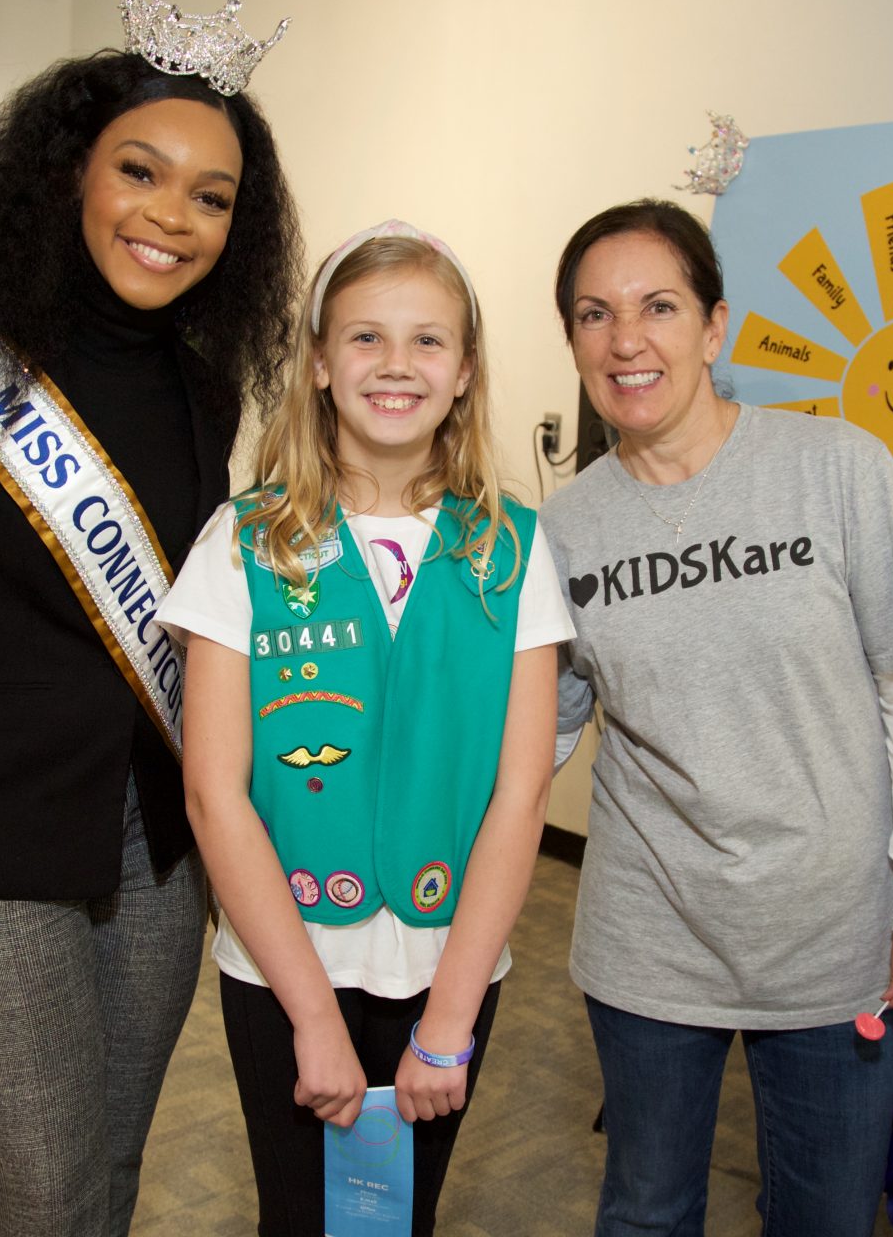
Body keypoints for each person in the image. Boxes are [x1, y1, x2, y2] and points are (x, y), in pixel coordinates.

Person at [0, 13, 302, 1235]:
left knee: (111, 1167)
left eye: (211, 195)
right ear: (68, 172)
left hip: (157, 850)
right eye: (139, 171)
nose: (169, 216)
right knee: (41, 1189)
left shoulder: (202, 384)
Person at [541, 199, 893, 1237]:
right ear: (573, 341)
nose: (627, 339)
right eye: (595, 314)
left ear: (715, 325)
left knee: (822, 1215)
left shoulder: (839, 468)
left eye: (660, 306)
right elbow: (545, 728)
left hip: (831, 935)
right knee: (646, 1207)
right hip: (651, 934)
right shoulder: (560, 527)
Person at [156, 220, 573, 1236]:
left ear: (467, 370)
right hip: (282, 960)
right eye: (366, 338)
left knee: (403, 1218)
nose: (397, 364)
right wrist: (309, 1014)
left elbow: (521, 794)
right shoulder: (243, 543)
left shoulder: (511, 548)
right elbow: (215, 790)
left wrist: (449, 1020)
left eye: (429, 340)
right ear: (317, 364)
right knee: (300, 1215)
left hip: (450, 962)